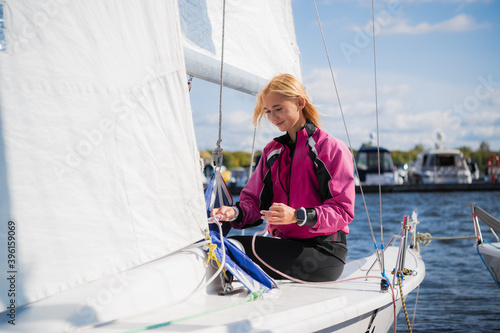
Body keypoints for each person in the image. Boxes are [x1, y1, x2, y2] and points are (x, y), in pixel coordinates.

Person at [211, 74, 355, 282]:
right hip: (286, 248)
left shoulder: (331, 149)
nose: (273, 117)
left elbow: (343, 210)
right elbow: (254, 204)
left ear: (300, 103)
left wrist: (297, 216)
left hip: (324, 254)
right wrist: (234, 212)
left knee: (232, 249)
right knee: (221, 247)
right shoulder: (272, 152)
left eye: (278, 109)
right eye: (268, 111)